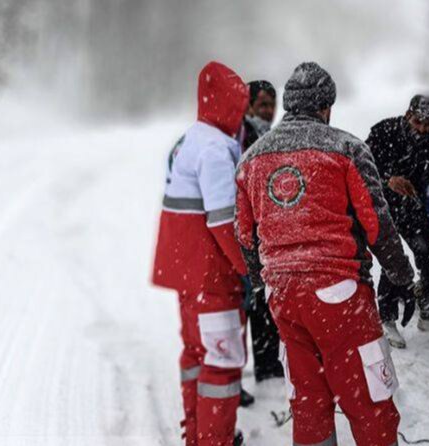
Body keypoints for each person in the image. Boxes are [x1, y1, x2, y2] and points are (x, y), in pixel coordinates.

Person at [235, 62, 414, 446]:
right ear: (326, 106)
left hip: (284, 297)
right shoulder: (346, 148)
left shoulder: (251, 159)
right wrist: (401, 276)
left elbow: (245, 236)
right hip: (340, 296)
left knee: (310, 402)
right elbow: (377, 224)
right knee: (370, 401)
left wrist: (259, 284)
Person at [152, 61, 249, 446]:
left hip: (186, 272)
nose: (241, 114)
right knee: (222, 363)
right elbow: (223, 221)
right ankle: (214, 440)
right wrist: (247, 267)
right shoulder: (213, 149)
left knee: (195, 354)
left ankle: (197, 434)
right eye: (239, 105)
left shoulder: (187, 140)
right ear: (227, 104)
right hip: (213, 275)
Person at [366, 95, 429, 349]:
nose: (423, 129)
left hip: (412, 204)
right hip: (383, 205)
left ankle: (428, 313)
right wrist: (388, 180)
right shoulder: (384, 131)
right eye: (418, 122)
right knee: (393, 259)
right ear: (408, 114)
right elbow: (362, 169)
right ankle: (386, 318)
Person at [239, 80, 285, 385]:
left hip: (266, 227)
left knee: (266, 295)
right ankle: (266, 365)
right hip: (250, 228)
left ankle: (271, 360)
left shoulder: (269, 134)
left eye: (272, 105)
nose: (268, 111)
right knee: (255, 297)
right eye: (263, 105)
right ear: (248, 105)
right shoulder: (244, 136)